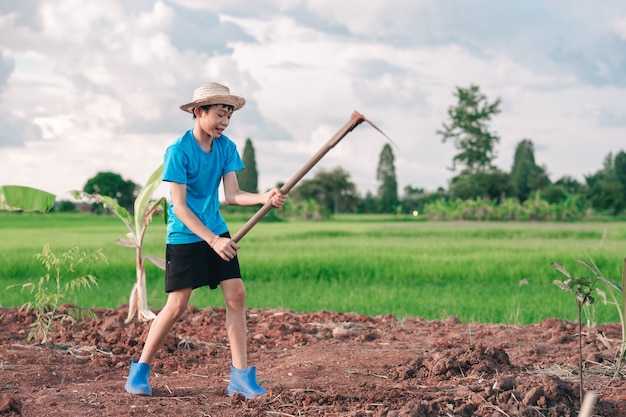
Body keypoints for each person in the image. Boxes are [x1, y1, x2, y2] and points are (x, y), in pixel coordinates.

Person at [125, 82, 287, 399]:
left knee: (236, 294)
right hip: (187, 235)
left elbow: (233, 194)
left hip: (215, 228)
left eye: (229, 116)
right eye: (219, 114)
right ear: (199, 112)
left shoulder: (225, 147)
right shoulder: (178, 151)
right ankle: (140, 370)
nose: (224, 122)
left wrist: (264, 197)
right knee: (177, 305)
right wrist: (212, 241)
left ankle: (240, 377)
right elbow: (180, 207)